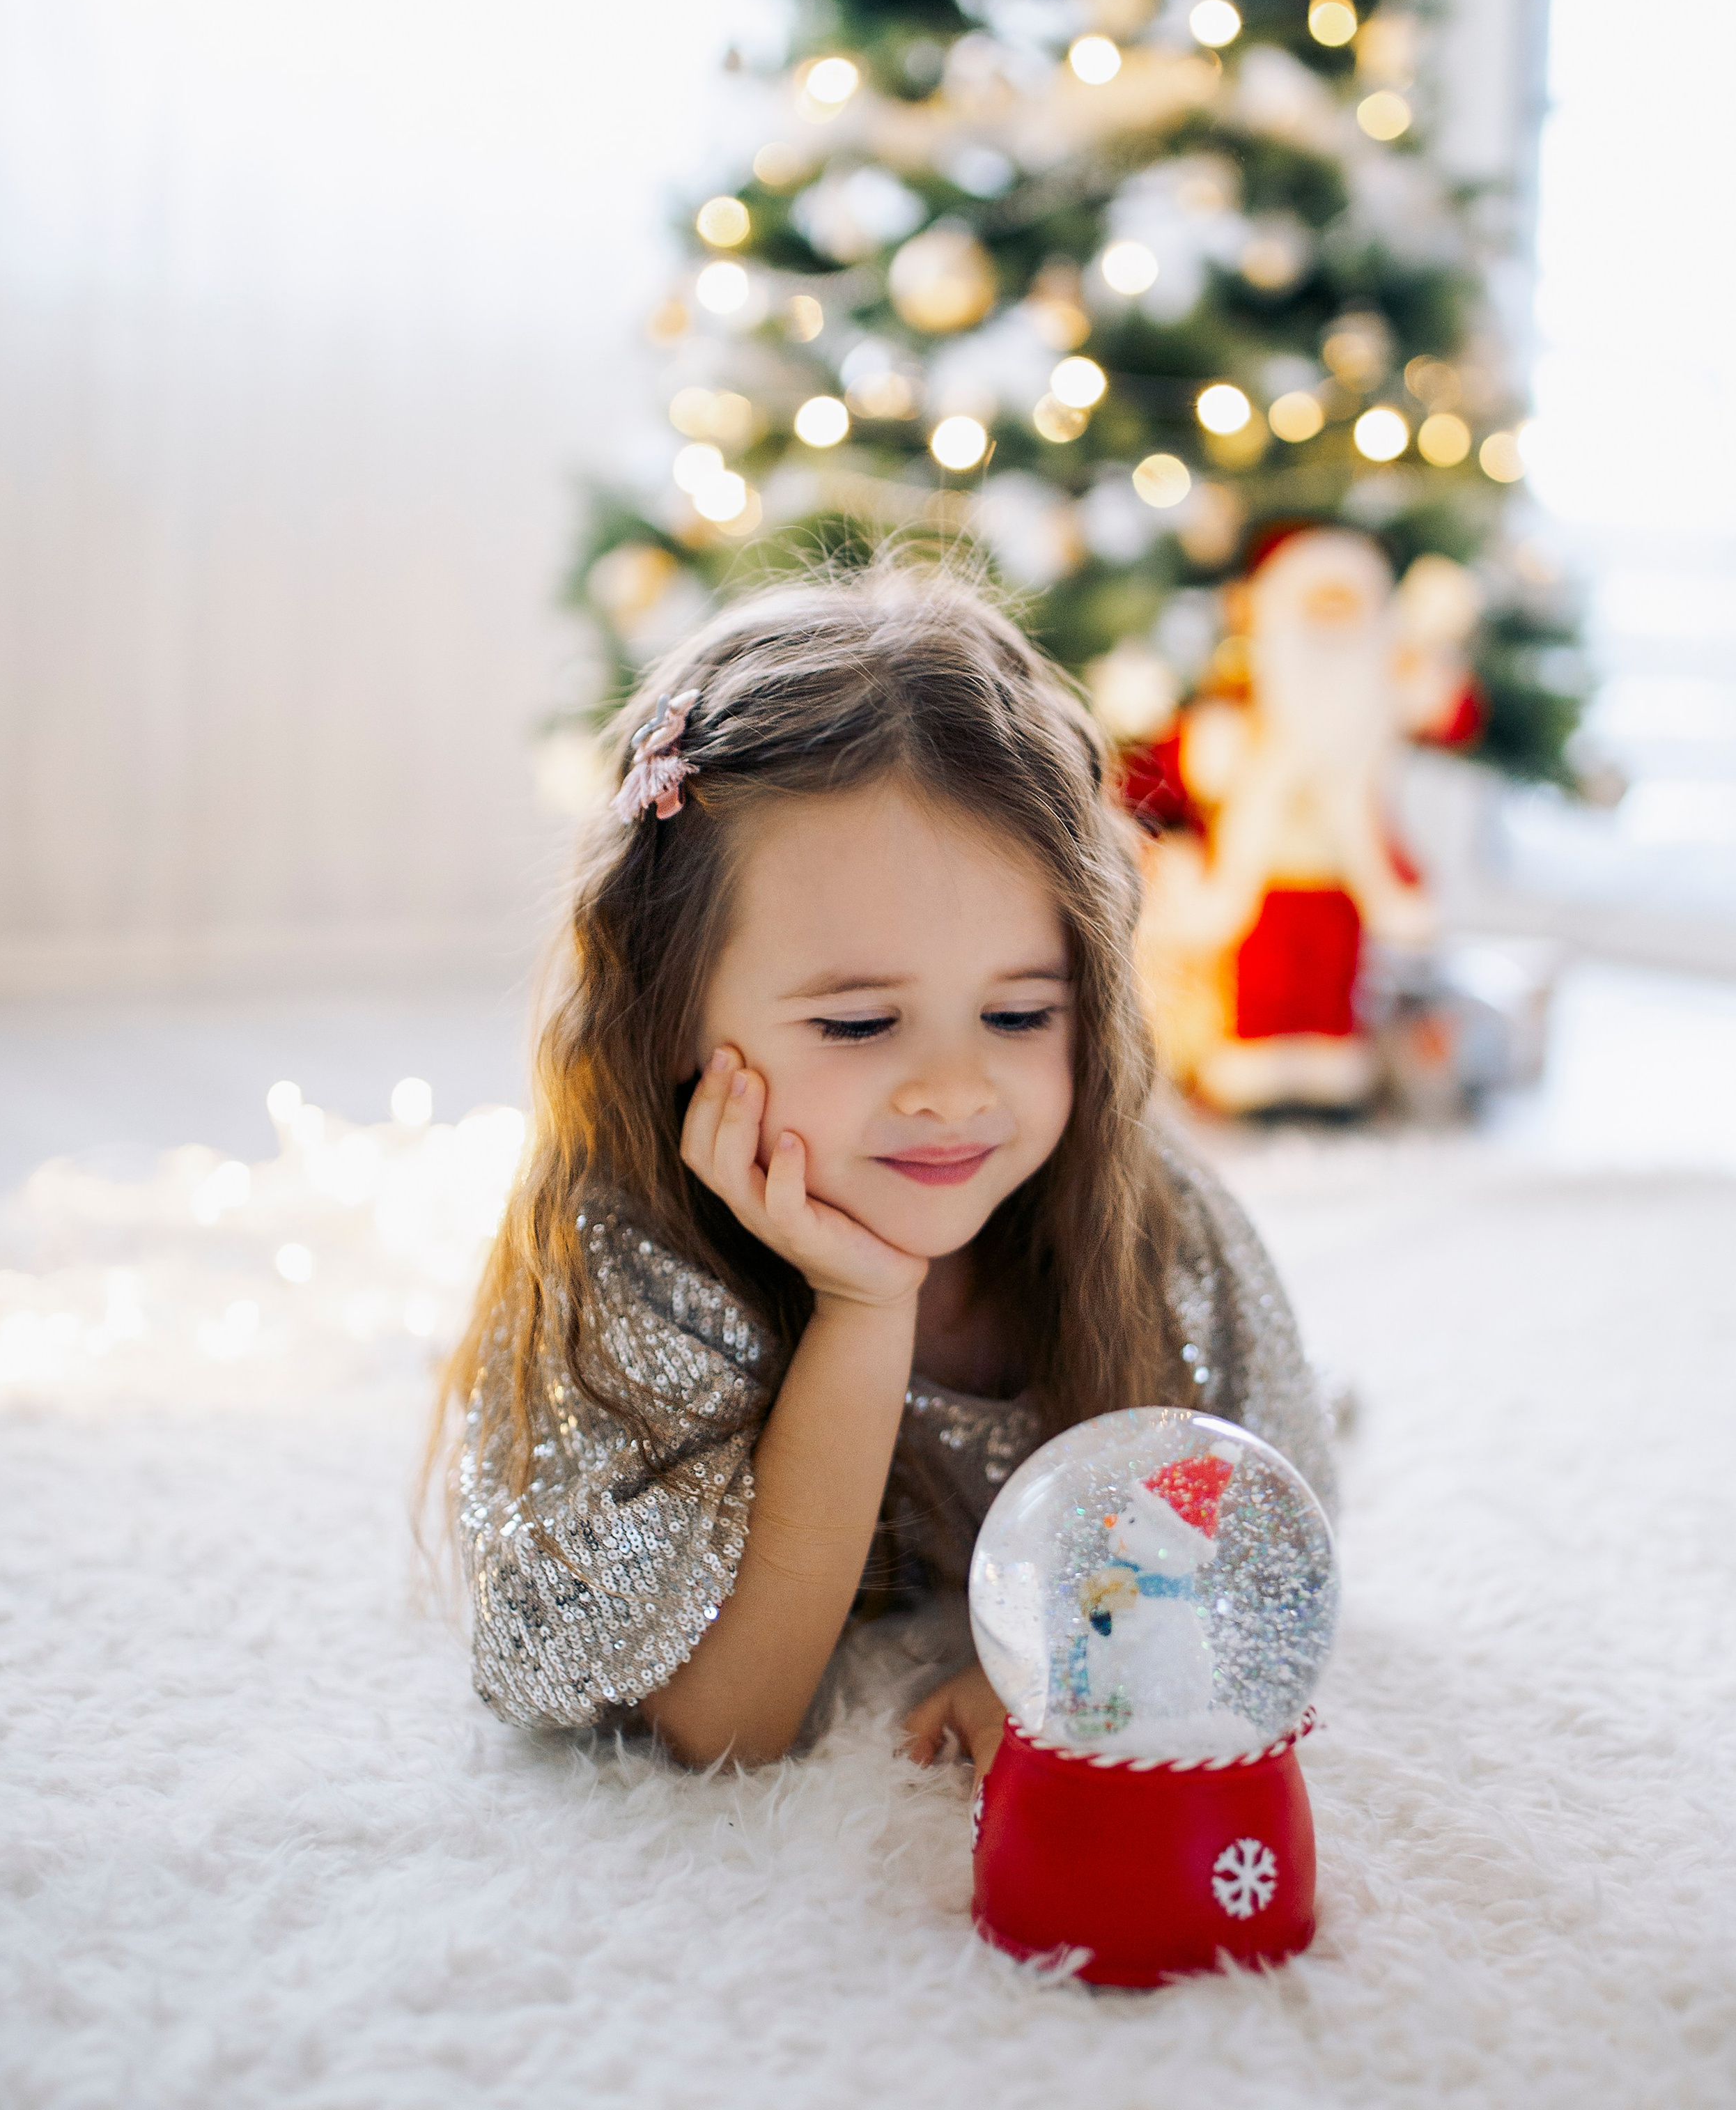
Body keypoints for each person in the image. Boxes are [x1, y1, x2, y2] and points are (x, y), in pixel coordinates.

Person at [440, 560, 1333, 1778]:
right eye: (860, 1027)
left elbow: (1273, 1563)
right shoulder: (629, 1245)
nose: (955, 1092)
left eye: (1020, 1017)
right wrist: (865, 1306)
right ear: (668, 1015)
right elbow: (725, 1729)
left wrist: (1069, 1653)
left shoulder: (1153, 1223)